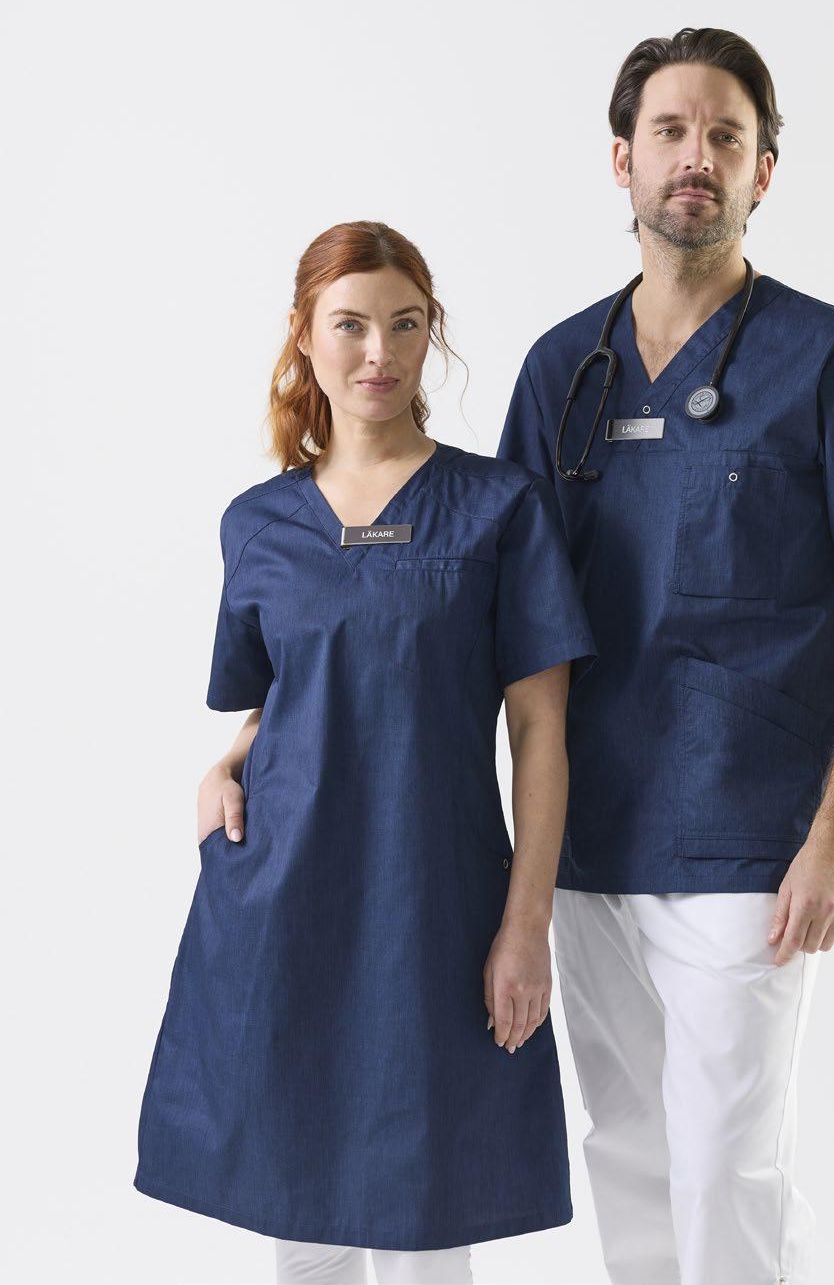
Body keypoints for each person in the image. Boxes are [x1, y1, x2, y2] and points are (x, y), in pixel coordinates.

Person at [496, 27, 834, 1285]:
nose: (694, 157)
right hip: (586, 840)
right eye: (668, 131)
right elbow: (501, 625)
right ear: (621, 159)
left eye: (724, 135)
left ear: (764, 170)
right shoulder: (562, 372)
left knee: (723, 1166)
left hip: (747, 839)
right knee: (630, 1156)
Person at [133, 221, 597, 1285]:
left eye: (404, 324)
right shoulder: (258, 523)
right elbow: (281, 698)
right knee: (300, 1206)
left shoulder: (498, 508)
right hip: (284, 897)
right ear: (304, 335)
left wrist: (525, 924)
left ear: (432, 334)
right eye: (349, 325)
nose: (378, 353)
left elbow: (540, 731)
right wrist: (227, 764)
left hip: (431, 902)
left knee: (428, 1211)